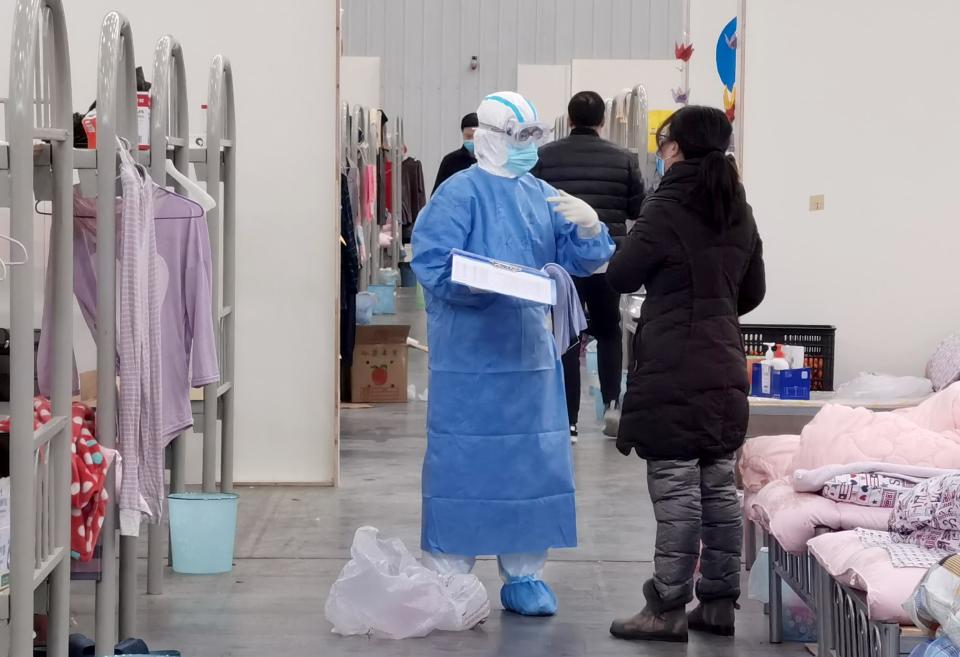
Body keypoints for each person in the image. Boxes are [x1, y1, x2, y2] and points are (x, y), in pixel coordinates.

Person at [411, 91, 615, 617]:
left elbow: (584, 260)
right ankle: (451, 576)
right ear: (488, 136)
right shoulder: (458, 195)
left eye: (534, 136)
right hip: (470, 361)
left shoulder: (541, 193)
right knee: (465, 463)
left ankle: (524, 574)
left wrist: (591, 227)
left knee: (531, 464)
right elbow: (434, 265)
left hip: (529, 360)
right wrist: (490, 283)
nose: (528, 147)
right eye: (518, 137)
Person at [605, 105, 766, 642]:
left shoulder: (667, 204)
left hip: (673, 365)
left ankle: (667, 607)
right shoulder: (737, 206)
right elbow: (753, 291)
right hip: (723, 362)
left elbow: (621, 273)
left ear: (675, 147)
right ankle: (718, 604)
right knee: (719, 487)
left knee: (676, 491)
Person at [533, 91, 645, 441]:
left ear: (568, 120)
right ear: (602, 122)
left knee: (566, 335)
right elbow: (635, 209)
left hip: (562, 263)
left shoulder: (544, 157)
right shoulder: (623, 159)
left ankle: (569, 421)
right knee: (609, 331)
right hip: (606, 258)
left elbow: (535, 207)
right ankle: (612, 406)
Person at [432, 112, 479, 193]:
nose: (472, 140)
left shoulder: (491, 162)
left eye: (476, 136)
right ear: (462, 134)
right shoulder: (450, 161)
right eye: (468, 136)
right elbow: (437, 195)